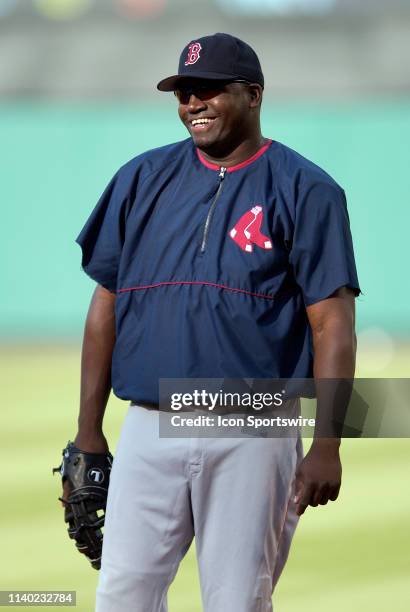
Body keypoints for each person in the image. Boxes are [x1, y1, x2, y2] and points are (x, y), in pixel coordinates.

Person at [66, 32, 361, 612]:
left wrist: (327, 442)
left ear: (252, 95)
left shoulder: (308, 189)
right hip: (151, 423)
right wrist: (89, 430)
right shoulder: (141, 179)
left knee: (236, 601)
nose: (192, 103)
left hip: (251, 426)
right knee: (122, 596)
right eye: (184, 92)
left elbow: (334, 327)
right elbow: (106, 308)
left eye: (208, 91)